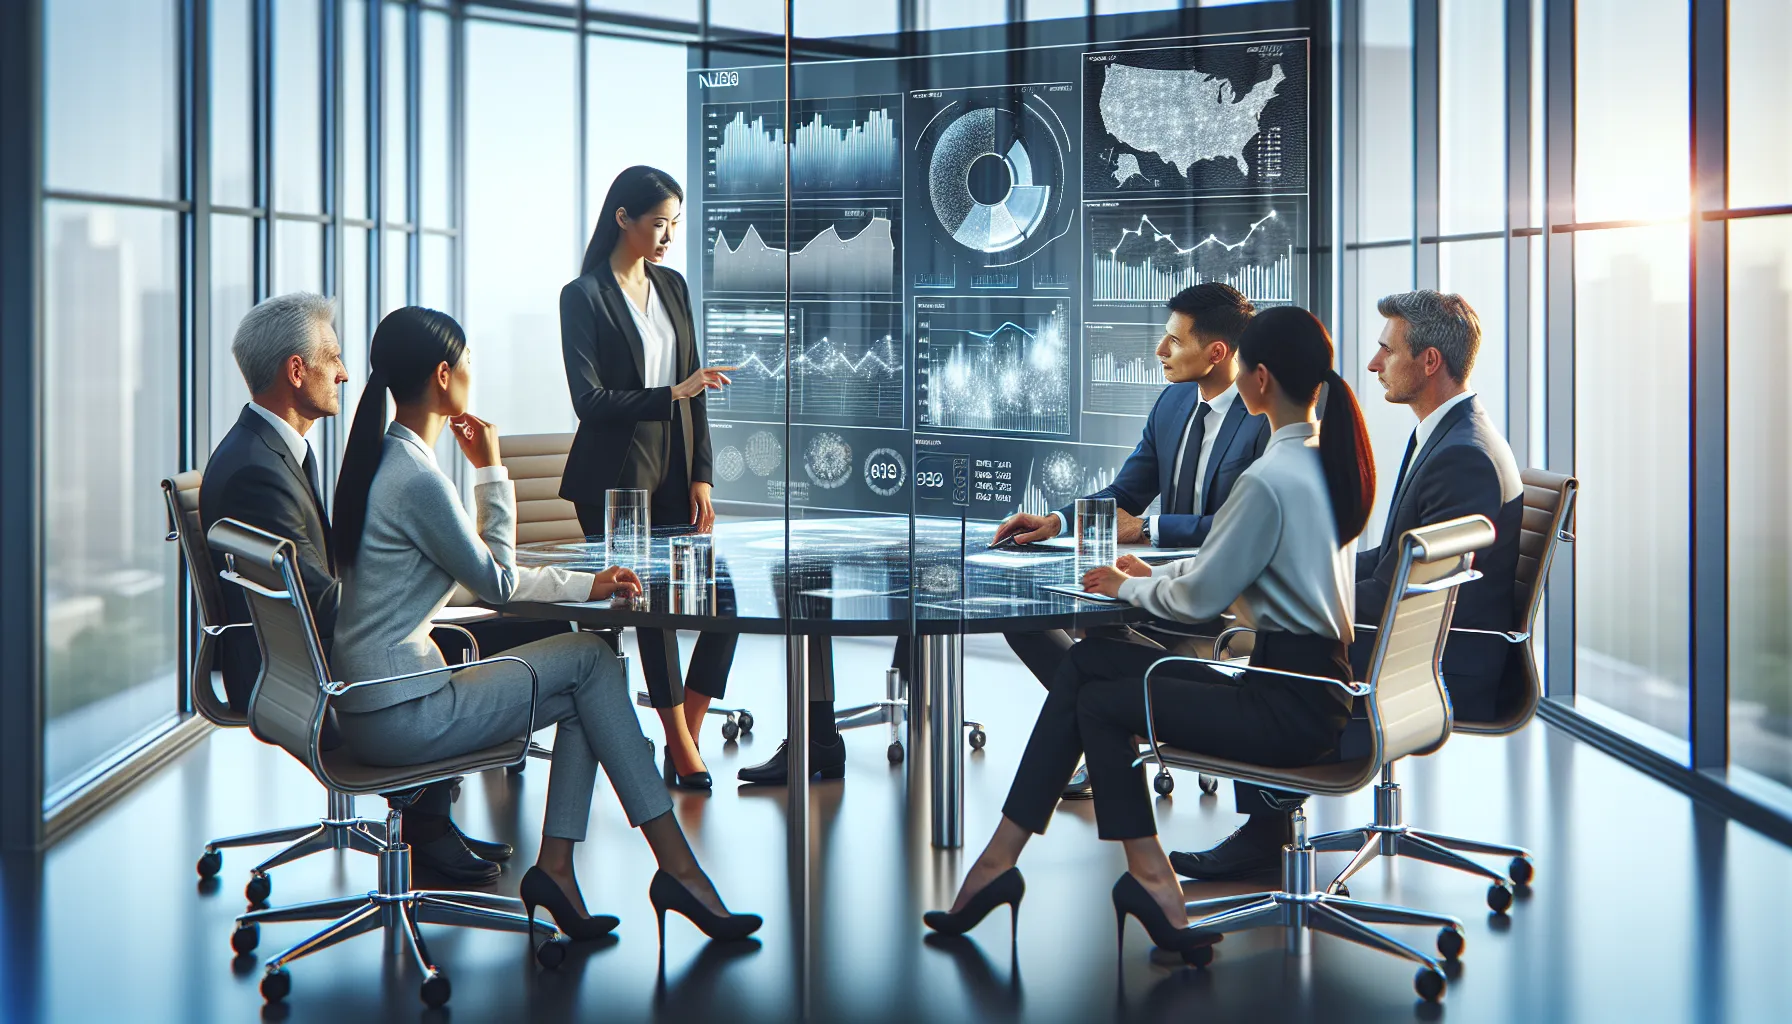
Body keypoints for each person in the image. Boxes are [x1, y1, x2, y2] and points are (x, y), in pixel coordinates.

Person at [924, 306, 1374, 962]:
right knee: (1092, 668)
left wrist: (1122, 585)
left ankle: (1055, 872)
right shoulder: (1316, 462)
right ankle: (1083, 875)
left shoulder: (1270, 478)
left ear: (1256, 379)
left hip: (1284, 703)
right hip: (1310, 687)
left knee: (1094, 694)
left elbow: (1200, 596)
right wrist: (1137, 571)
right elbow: (1232, 562)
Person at [328, 305, 759, 944]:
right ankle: (676, 870)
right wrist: (492, 471)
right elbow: (498, 583)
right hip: (401, 714)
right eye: (468, 360)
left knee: (591, 683)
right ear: (445, 376)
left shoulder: (382, 462)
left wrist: (589, 583)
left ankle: (563, 870)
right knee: (592, 658)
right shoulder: (417, 478)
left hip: (371, 704)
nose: (474, 370)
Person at [1170, 289, 1522, 882]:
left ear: (1429, 361)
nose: (1372, 364)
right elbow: (1394, 563)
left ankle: (1266, 833)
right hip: (1431, 643)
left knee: (1274, 653)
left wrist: (1286, 598)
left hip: (1441, 663)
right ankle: (1269, 824)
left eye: (1387, 349)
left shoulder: (1462, 456)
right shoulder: (1453, 434)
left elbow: (1400, 595)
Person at [200, 292, 510, 885]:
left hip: (287, 657)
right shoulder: (258, 473)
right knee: (447, 640)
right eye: (333, 359)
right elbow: (315, 604)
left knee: (439, 629)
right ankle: (430, 830)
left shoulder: (269, 452)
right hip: (286, 670)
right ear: (297, 371)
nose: (345, 373)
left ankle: (430, 827)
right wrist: (417, 592)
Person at [988, 283, 1270, 796]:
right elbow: (1126, 492)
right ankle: (1122, 726)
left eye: (1173, 341)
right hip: (1154, 582)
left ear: (1217, 353)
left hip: (1224, 598)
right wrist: (1057, 522)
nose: (1159, 351)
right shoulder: (1173, 402)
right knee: (1026, 620)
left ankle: (1115, 732)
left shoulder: (1264, 419)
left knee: (1096, 647)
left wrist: (1150, 529)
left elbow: (1243, 528)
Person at [559, 165, 738, 792]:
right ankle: (681, 747)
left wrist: (704, 475)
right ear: (623, 219)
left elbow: (700, 389)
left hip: (677, 474)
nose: (667, 237)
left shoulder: (674, 286)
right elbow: (589, 401)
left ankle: (681, 730)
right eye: (659, 224)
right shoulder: (583, 296)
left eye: (674, 226)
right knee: (654, 612)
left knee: (724, 603)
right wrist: (670, 393)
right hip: (614, 481)